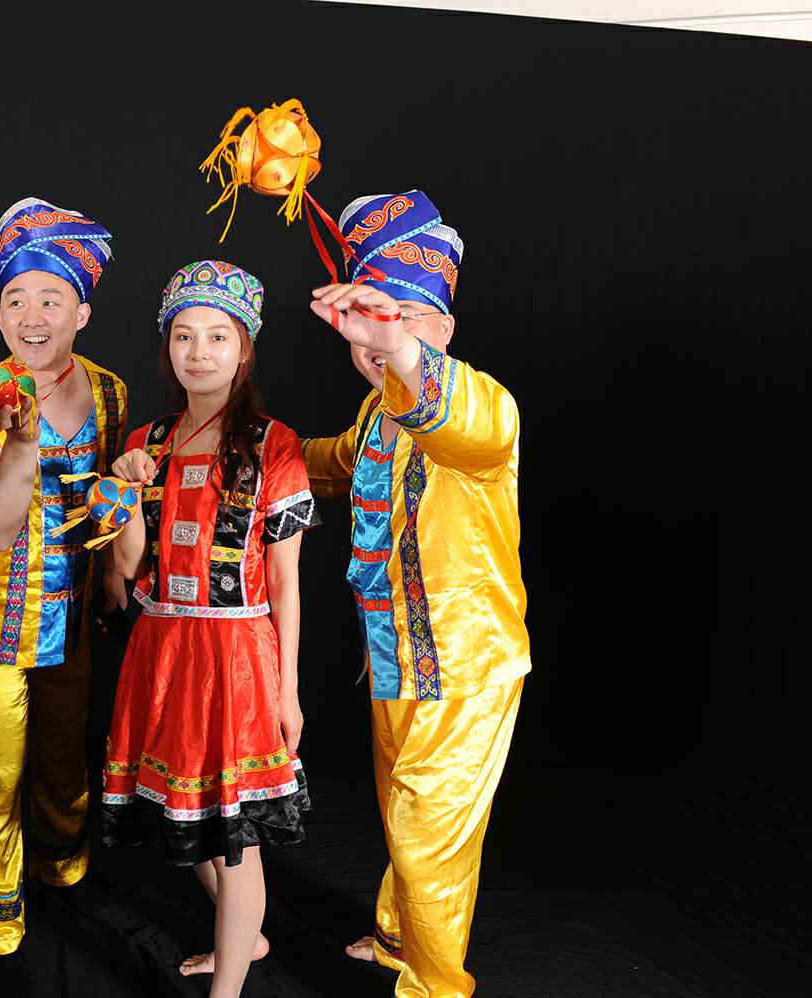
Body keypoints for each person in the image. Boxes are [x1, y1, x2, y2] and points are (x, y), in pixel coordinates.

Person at [302, 190, 530, 998]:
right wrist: (249, 439)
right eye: (368, 318)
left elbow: (453, 417)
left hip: (465, 666)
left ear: (445, 330)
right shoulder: (377, 412)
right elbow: (330, 463)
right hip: (397, 659)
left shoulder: (483, 406)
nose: (380, 336)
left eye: (405, 318)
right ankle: (400, 935)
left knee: (427, 829)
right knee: (404, 812)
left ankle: (435, 986)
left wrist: (394, 343)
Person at [101, 260, 316, 998]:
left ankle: (228, 987)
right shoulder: (147, 441)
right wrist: (124, 490)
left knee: (233, 837)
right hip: (162, 649)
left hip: (237, 654)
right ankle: (243, 938)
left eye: (217, 337)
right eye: (184, 336)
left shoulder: (274, 445)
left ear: (244, 349)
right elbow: (129, 567)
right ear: (167, 347)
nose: (199, 352)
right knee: (178, 809)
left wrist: (288, 691)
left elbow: (286, 583)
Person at [0, 197, 129, 955]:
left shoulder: (111, 391)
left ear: (81, 313)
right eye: (15, 300)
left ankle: (62, 867)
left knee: (64, 753)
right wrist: (20, 440)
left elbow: (109, 498)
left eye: (51, 299)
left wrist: (114, 571)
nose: (32, 316)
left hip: (73, 617)